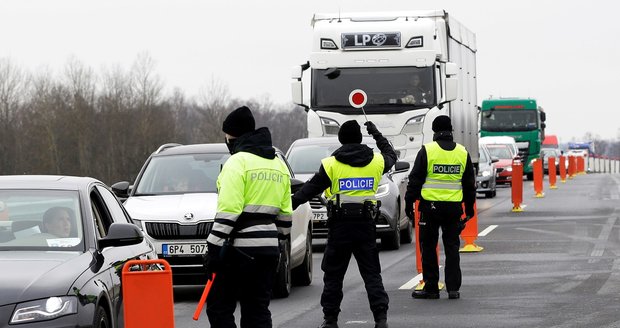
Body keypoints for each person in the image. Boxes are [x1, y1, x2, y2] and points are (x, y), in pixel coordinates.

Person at [291, 120, 396, 328]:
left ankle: (330, 320)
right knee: (372, 274)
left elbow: (309, 190)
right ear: (359, 138)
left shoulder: (331, 164)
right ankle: (380, 319)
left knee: (333, 275)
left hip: (340, 226)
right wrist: (376, 134)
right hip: (366, 225)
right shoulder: (376, 162)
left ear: (340, 139)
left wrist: (286, 205)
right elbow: (391, 154)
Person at [202, 106, 293, 328]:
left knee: (219, 306)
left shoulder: (237, 162)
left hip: (238, 250)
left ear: (233, 135)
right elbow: (286, 216)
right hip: (268, 250)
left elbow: (228, 213)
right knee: (257, 310)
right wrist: (277, 244)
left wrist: (212, 250)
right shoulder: (278, 164)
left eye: (226, 134)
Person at [404, 115, 476, 300]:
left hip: (430, 209)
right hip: (453, 209)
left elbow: (415, 180)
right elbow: (469, 184)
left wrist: (409, 203)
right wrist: (469, 210)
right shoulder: (462, 152)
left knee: (428, 247)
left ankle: (431, 288)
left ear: (435, 131)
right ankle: (453, 289)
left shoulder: (427, 151)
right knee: (452, 247)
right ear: (451, 131)